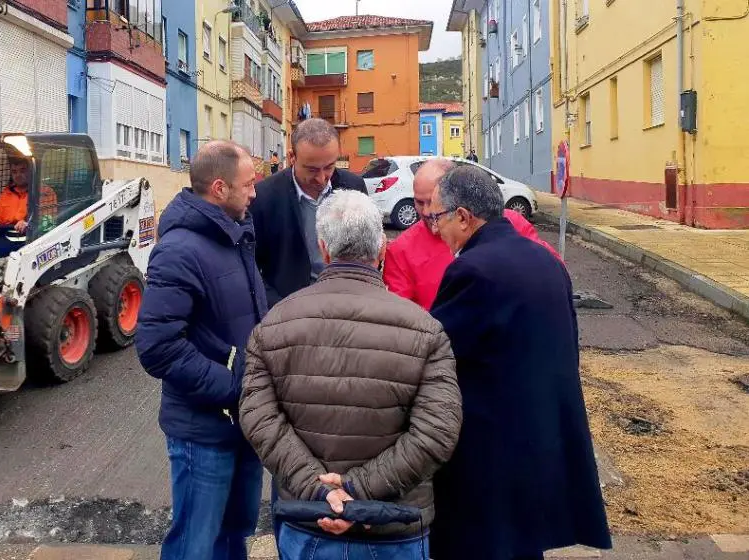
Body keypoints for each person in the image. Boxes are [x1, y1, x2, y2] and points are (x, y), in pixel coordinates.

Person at [240, 190, 462, 560]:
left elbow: (259, 418)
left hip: (309, 519)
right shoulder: (426, 330)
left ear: (323, 249)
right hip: (394, 525)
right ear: (382, 250)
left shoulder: (274, 324)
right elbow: (436, 432)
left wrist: (322, 491)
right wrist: (357, 493)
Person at [425, 165, 611, 560]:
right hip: (543, 435)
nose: (435, 228)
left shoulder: (472, 269)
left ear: (463, 217)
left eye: (438, 217)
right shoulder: (545, 261)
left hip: (490, 450)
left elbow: (437, 355)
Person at [135, 141, 268, 560]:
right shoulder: (178, 251)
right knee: (196, 542)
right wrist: (232, 387)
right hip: (203, 430)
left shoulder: (235, 235)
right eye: (248, 184)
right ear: (218, 188)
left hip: (242, 423)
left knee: (234, 533)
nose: (254, 192)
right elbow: (157, 346)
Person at [384, 158, 562, 310]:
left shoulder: (510, 224)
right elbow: (401, 318)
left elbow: (552, 275)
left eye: (432, 201)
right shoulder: (401, 250)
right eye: (419, 202)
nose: (427, 211)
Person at [250, 118, 368, 308]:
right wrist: (279, 307)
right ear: (292, 157)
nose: (321, 178)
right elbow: (252, 267)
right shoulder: (263, 197)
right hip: (289, 309)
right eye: (312, 169)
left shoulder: (354, 187)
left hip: (345, 304)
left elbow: (364, 251)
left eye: (329, 166)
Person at [0, 157, 57, 277]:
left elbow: (48, 221)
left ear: (32, 171)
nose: (18, 175)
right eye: (14, 172)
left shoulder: (45, 192)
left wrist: (29, 223)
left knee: (16, 265)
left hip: (32, 241)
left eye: (23, 170)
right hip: (9, 239)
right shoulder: (7, 193)